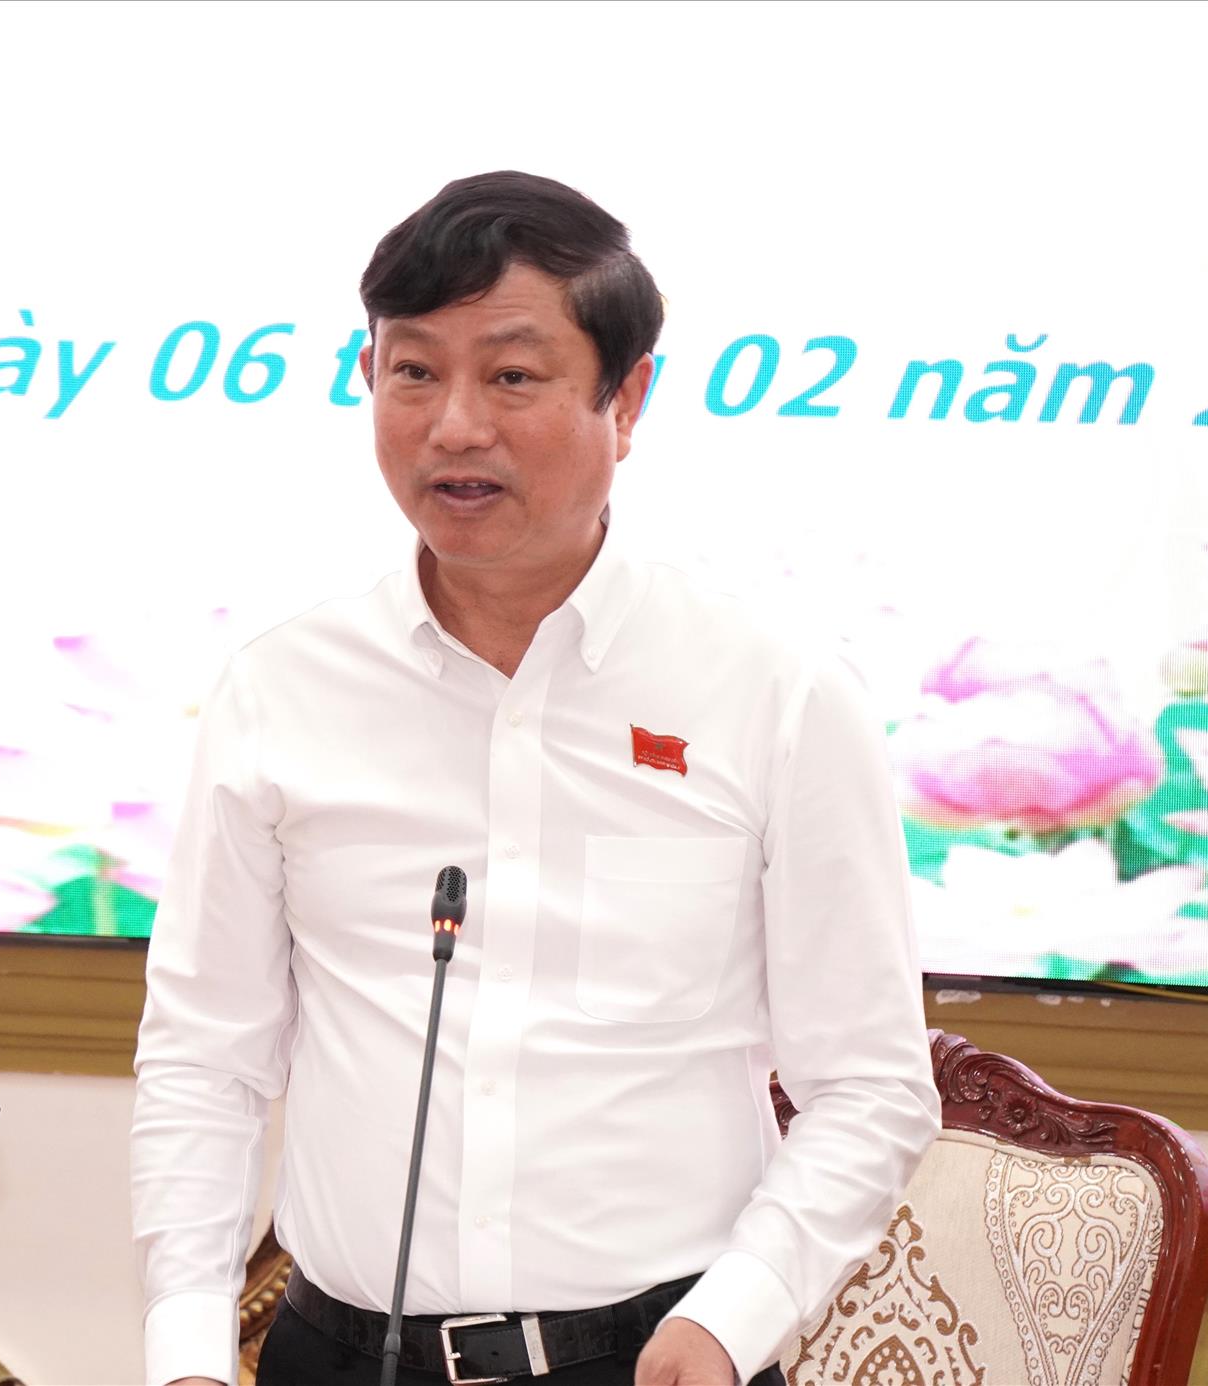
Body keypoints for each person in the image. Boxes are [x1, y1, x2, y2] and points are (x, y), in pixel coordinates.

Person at [131, 171, 939, 1386]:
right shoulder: (281, 690)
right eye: (413, 371)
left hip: (658, 1355)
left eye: (512, 376)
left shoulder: (775, 695)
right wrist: (188, 1343)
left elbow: (871, 1086)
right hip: (338, 1355)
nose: (456, 426)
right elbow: (208, 1058)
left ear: (629, 397)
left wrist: (733, 1320)